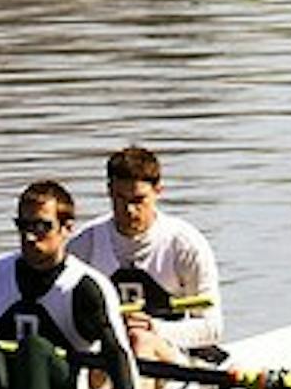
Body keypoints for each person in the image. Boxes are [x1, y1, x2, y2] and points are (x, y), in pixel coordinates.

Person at [0, 180, 157, 389]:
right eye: (23, 226)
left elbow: (116, 350)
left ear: (67, 229)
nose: (29, 237)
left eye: (42, 227)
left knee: (34, 349)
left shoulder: (84, 286)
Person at [67, 144, 224, 364]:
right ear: (109, 190)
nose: (130, 210)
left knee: (140, 340)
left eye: (138, 200)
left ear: (158, 191)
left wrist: (155, 328)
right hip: (107, 357)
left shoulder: (185, 245)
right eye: (120, 199)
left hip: (168, 357)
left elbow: (212, 328)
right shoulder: (84, 246)